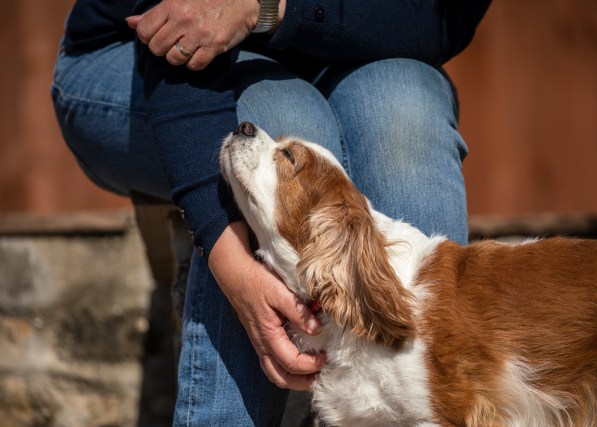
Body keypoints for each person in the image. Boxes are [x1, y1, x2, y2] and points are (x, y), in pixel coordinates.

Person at [51, 0, 491, 425]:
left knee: (407, 115)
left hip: (350, 42)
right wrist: (230, 260)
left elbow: (442, 16)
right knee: (286, 115)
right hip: (137, 53)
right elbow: (179, 28)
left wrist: (272, 8)